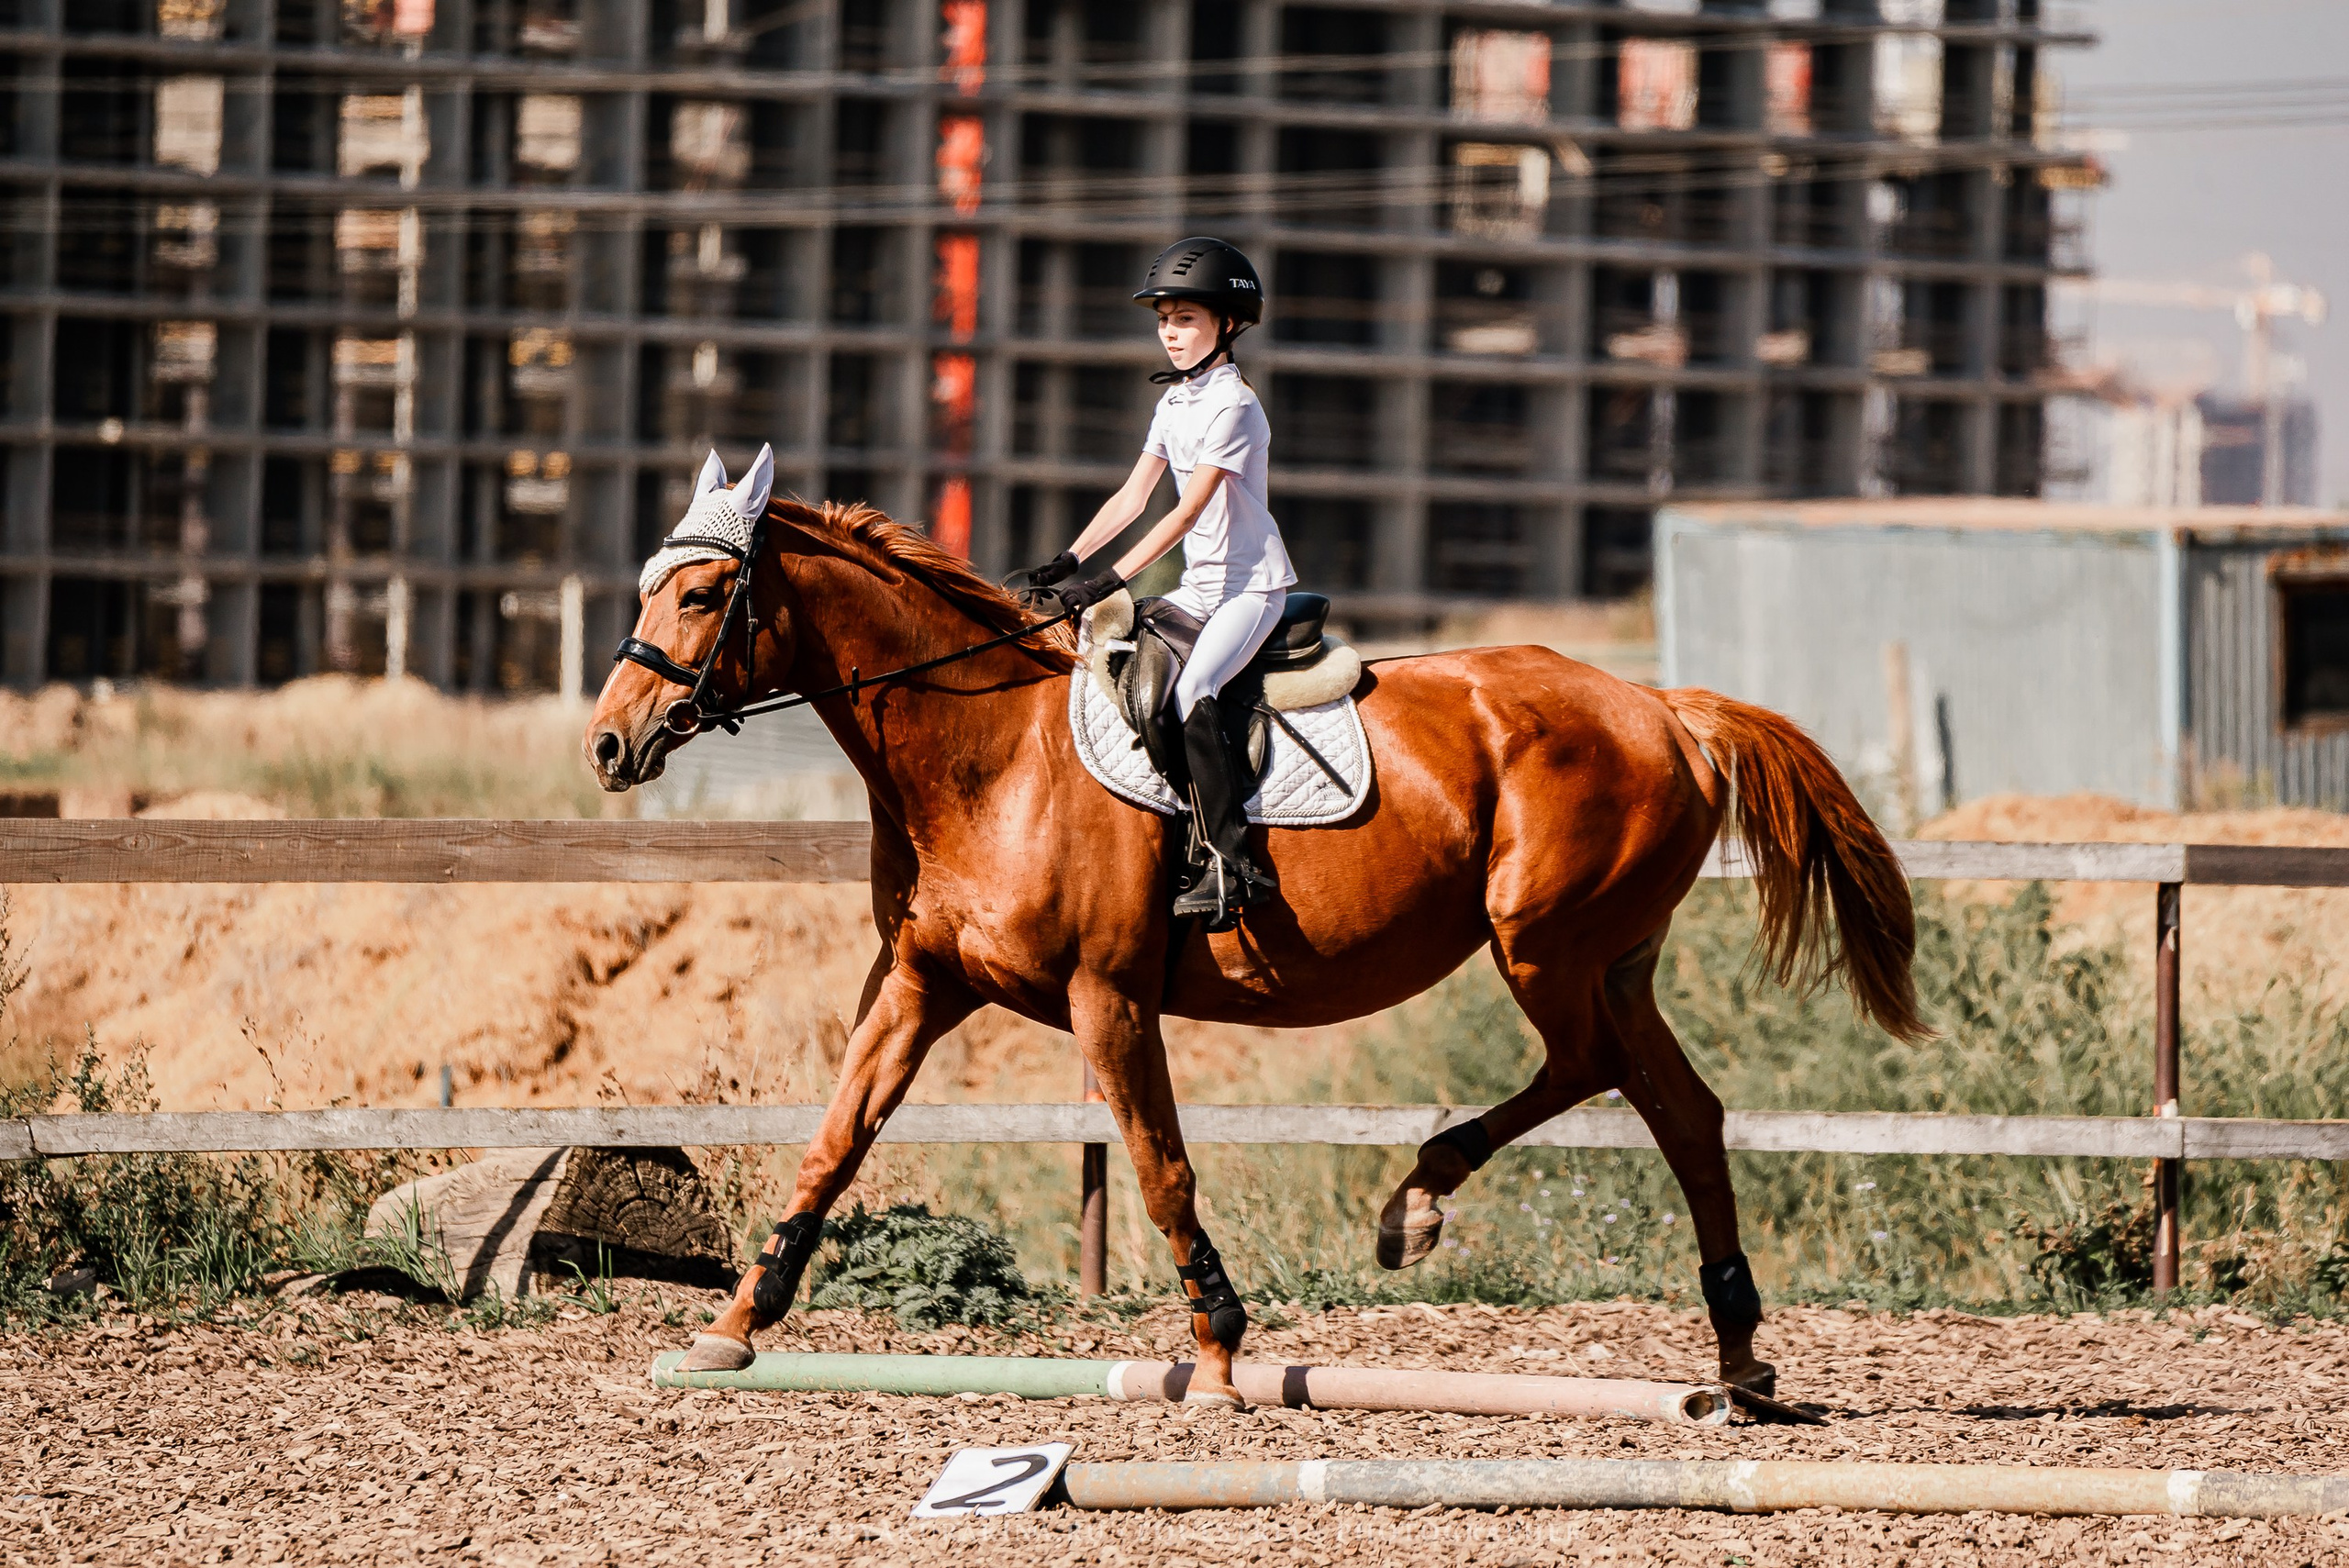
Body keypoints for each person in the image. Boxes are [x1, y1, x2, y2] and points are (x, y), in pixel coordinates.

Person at [1021, 237, 1297, 922]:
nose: (1171, 334)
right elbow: (1134, 496)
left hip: (1248, 589)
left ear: (1226, 325)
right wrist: (1069, 561)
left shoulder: (1234, 406)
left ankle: (1233, 864)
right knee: (1121, 671)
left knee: (1194, 690)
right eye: (1164, 320)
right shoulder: (1176, 402)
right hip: (1200, 588)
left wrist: (1107, 579)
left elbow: (1187, 511)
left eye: (1186, 320)